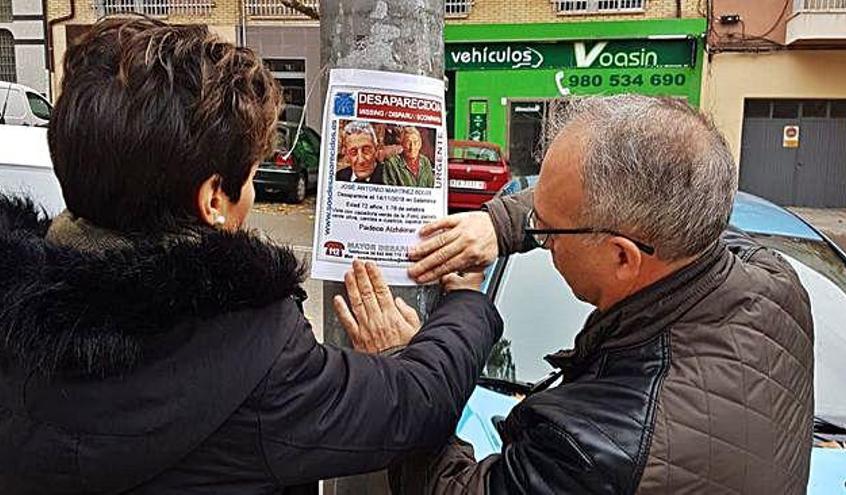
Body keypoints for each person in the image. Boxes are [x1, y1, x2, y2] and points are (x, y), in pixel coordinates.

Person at [0, 17, 503, 494]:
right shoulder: (251, 354)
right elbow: (413, 405)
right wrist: (466, 302)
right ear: (214, 199)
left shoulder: (13, 312)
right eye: (252, 175)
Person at [398, 95, 814, 494]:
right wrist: (501, 225)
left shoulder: (596, 446)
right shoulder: (772, 279)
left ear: (622, 257)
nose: (544, 242)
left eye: (545, 230)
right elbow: (669, 180)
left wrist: (406, 379)